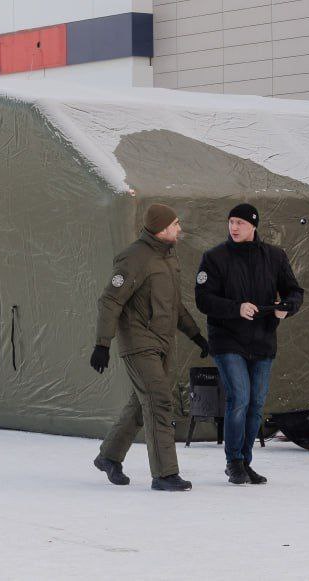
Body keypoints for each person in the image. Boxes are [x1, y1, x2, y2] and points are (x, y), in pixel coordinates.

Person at [89, 203, 209, 492]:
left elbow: (174, 306)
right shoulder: (135, 258)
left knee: (143, 404)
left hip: (163, 342)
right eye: (176, 223)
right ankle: (165, 474)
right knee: (158, 401)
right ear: (162, 227)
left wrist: (197, 336)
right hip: (139, 342)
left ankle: (108, 456)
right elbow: (110, 301)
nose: (180, 228)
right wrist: (102, 344)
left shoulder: (168, 258)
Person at [194, 203, 303, 485]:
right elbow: (203, 299)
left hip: (263, 340)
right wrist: (236, 308)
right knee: (239, 397)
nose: (233, 227)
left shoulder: (275, 257)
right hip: (227, 339)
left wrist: (287, 307)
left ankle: (246, 460)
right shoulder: (215, 257)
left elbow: (294, 291)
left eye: (240, 223)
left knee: (256, 403)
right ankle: (233, 462)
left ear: (253, 225)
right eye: (231, 222)